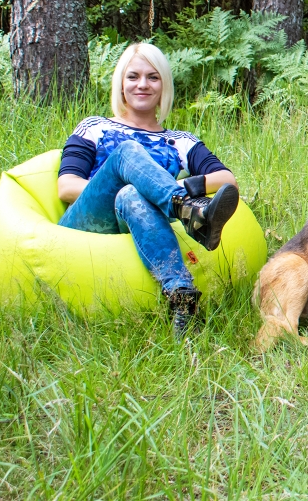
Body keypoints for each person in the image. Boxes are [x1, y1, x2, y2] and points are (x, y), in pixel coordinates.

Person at [57, 42, 240, 337]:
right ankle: (188, 210)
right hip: (88, 223)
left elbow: (226, 179)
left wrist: (163, 187)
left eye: (153, 77)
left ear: (163, 86)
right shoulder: (95, 127)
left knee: (132, 194)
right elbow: (66, 187)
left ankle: (182, 299)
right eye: (133, 77)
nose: (142, 84)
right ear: (120, 84)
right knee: (127, 155)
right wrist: (134, 181)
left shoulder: (180, 140)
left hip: (141, 217)